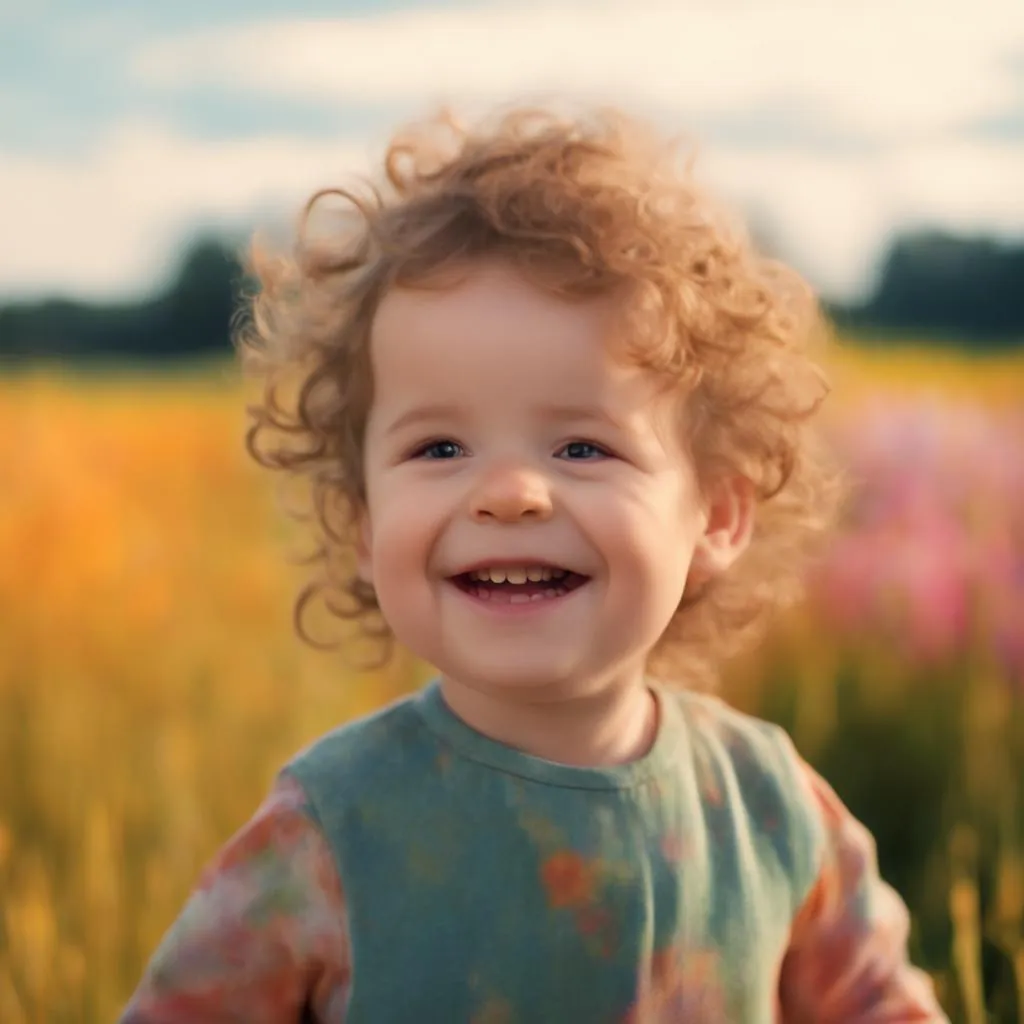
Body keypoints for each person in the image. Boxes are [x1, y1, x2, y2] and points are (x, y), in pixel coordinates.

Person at [120, 104, 949, 1022]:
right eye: (439, 449)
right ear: (363, 521)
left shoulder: (767, 809)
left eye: (582, 448)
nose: (509, 492)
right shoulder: (332, 833)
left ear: (715, 515)